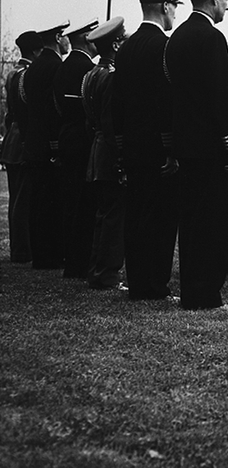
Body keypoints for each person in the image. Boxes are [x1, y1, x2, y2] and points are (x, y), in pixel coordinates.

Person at [164, 0, 228, 310]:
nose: (227, 3)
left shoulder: (176, 38)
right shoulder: (212, 38)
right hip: (212, 148)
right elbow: (222, 97)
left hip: (186, 145)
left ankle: (191, 290)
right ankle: (207, 294)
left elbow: (169, 95)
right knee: (213, 222)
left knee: (192, 222)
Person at [112, 0, 182, 300]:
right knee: (161, 217)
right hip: (157, 145)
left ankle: (138, 281)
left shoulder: (125, 49)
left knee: (136, 214)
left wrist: (120, 143)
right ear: (165, 6)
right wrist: (170, 147)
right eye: (174, 8)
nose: (175, 14)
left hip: (132, 143)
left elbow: (118, 101)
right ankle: (155, 284)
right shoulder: (164, 47)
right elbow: (168, 101)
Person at [22, 20, 71, 269]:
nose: (67, 42)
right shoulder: (54, 66)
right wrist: (56, 144)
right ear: (59, 37)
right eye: (65, 37)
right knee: (52, 201)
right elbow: (55, 108)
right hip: (49, 142)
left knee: (38, 201)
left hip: (33, 142)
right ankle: (52, 254)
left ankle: (41, 254)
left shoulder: (34, 67)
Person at [83, 17, 127, 290]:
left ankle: (98, 269)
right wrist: (122, 159)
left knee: (103, 214)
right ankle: (107, 273)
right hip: (110, 152)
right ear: (115, 44)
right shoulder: (112, 77)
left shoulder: (91, 75)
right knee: (113, 216)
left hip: (97, 150)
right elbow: (113, 124)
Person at [53, 19, 99, 278]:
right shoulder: (84, 69)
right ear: (86, 39)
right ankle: (79, 262)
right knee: (84, 204)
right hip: (83, 140)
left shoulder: (65, 67)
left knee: (70, 201)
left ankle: (72, 259)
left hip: (67, 137)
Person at [1, 31, 42, 264]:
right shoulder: (25, 74)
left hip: (12, 139)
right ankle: (22, 251)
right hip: (21, 139)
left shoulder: (12, 73)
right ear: (36, 51)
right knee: (22, 199)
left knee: (17, 196)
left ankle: (19, 248)